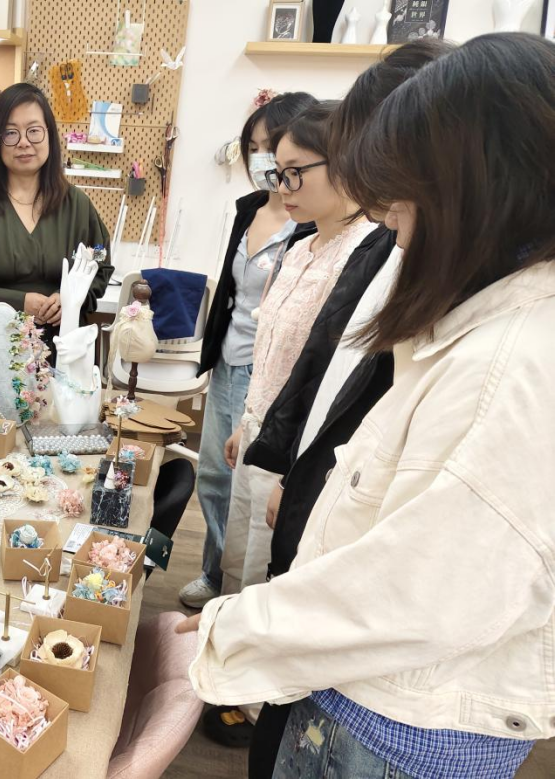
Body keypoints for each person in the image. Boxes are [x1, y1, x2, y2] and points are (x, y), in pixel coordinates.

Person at [182, 32, 555, 778]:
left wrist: (222, 635)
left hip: (391, 734)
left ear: (472, 188)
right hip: (356, 700)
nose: (388, 220)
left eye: (401, 194)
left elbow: (412, 592)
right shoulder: (478, 326)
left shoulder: (511, 364)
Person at [238, 39, 452, 777]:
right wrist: (282, 456)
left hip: (394, 674)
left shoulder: (413, 254)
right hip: (315, 480)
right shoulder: (377, 244)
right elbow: (318, 369)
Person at [200, 101, 376, 747]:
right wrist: (247, 423)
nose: (282, 186)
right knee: (239, 551)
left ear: (345, 164)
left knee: (272, 565)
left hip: (298, 449)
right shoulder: (302, 246)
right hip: (261, 429)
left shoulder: (365, 253)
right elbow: (274, 351)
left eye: (296, 171)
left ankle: (253, 699)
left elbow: (330, 379)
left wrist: (293, 471)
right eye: (278, 171)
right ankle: (228, 670)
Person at [179, 91, 317, 613]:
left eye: (271, 146)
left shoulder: (310, 223)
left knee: (252, 483)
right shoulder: (248, 209)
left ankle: (245, 594)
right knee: (214, 475)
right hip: (228, 362)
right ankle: (214, 571)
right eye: (253, 147)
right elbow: (232, 293)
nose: (261, 158)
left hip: (271, 372)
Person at [0, 83, 113, 346]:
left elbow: (100, 258)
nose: (23, 142)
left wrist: (72, 298)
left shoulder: (77, 205)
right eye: (11, 133)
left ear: (49, 135)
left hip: (63, 349)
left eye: (34, 131)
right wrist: (20, 303)